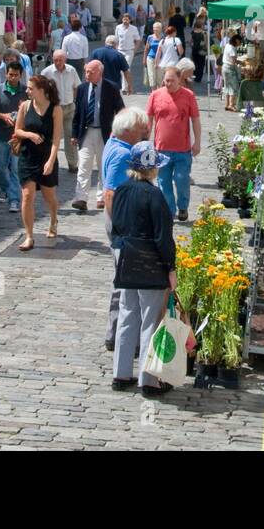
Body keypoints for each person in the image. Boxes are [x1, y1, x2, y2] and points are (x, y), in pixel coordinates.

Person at [109, 141, 178, 397]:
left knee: (127, 315)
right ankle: (148, 381)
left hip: (127, 259)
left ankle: (121, 373)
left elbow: (115, 225)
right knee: (150, 320)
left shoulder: (122, 190)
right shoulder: (156, 196)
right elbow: (163, 237)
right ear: (153, 169)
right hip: (150, 263)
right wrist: (171, 267)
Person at [100, 108, 150, 349]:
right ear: (128, 131)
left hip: (118, 222)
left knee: (121, 277)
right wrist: (121, 229)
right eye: (141, 128)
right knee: (124, 279)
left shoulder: (113, 141)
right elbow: (110, 194)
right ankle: (117, 334)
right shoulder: (123, 153)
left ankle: (117, 332)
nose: (145, 132)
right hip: (121, 223)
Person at [14, 74, 63, 251]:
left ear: (41, 90)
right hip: (28, 157)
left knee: (49, 196)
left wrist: (51, 161)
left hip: (46, 157)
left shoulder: (55, 109)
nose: (27, 90)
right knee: (27, 196)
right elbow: (17, 130)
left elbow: (57, 139)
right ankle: (29, 236)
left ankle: (53, 219)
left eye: (30, 88)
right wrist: (29, 135)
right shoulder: (25, 107)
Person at [146, 66, 201, 221]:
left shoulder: (188, 95)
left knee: (181, 179)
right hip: (161, 148)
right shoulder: (155, 95)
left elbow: (195, 120)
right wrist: (145, 141)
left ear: (179, 80)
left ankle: (183, 206)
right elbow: (149, 119)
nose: (168, 83)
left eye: (171, 81)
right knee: (163, 182)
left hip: (182, 149)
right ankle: (169, 211)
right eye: (166, 80)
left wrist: (197, 142)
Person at [71, 60, 124, 211]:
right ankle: (81, 198)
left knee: (103, 166)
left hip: (105, 133)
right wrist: (74, 134)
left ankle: (101, 197)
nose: (87, 75)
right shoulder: (82, 88)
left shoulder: (111, 88)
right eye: (86, 71)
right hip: (86, 131)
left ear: (100, 72)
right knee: (84, 165)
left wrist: (117, 130)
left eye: (90, 72)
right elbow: (78, 113)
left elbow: (120, 110)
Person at [0, 61, 27, 214]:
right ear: (6, 74)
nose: (13, 78)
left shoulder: (25, 91)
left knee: (15, 169)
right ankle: (4, 188)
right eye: (10, 75)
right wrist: (2, 116)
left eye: (16, 75)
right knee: (0, 167)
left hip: (18, 137)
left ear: (21, 75)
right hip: (1, 135)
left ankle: (14, 199)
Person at [43, 50, 83, 173]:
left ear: (65, 59)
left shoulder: (71, 70)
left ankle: (72, 164)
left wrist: (75, 101)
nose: (58, 63)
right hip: (55, 108)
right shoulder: (47, 72)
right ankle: (52, 163)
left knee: (70, 136)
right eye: (55, 60)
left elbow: (76, 86)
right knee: (53, 137)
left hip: (69, 107)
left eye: (60, 60)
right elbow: (42, 90)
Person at [114, 14, 143, 95]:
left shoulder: (133, 28)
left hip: (129, 51)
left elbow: (138, 40)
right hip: (120, 50)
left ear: (130, 20)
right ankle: (124, 86)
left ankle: (124, 88)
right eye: (124, 19)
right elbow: (116, 39)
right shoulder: (118, 27)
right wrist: (115, 49)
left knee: (126, 68)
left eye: (127, 19)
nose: (125, 21)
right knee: (120, 70)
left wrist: (135, 50)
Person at [62, 16, 90, 80]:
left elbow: (63, 52)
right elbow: (85, 54)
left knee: (69, 79)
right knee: (78, 79)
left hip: (69, 60)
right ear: (80, 28)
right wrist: (85, 63)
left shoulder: (66, 38)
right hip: (79, 61)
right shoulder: (84, 38)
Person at [222, 32, 242, 113]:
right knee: (234, 86)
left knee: (227, 86)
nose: (240, 43)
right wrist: (240, 63)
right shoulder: (233, 48)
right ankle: (231, 105)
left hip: (224, 67)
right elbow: (233, 61)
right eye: (240, 41)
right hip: (230, 68)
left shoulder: (227, 45)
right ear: (236, 40)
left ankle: (227, 104)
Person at [190, 14, 209, 83]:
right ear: (201, 26)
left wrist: (193, 46)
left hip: (194, 50)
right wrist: (207, 50)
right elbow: (206, 42)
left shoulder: (193, 32)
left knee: (195, 63)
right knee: (201, 64)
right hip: (202, 50)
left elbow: (191, 42)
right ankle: (199, 78)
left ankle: (195, 76)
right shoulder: (204, 33)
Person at [145, 22, 164, 89]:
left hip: (161, 59)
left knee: (160, 77)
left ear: (161, 29)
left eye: (157, 28)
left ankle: (159, 92)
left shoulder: (163, 38)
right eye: (154, 28)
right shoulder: (150, 37)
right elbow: (146, 49)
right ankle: (153, 92)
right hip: (150, 58)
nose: (155, 30)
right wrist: (144, 59)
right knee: (152, 76)